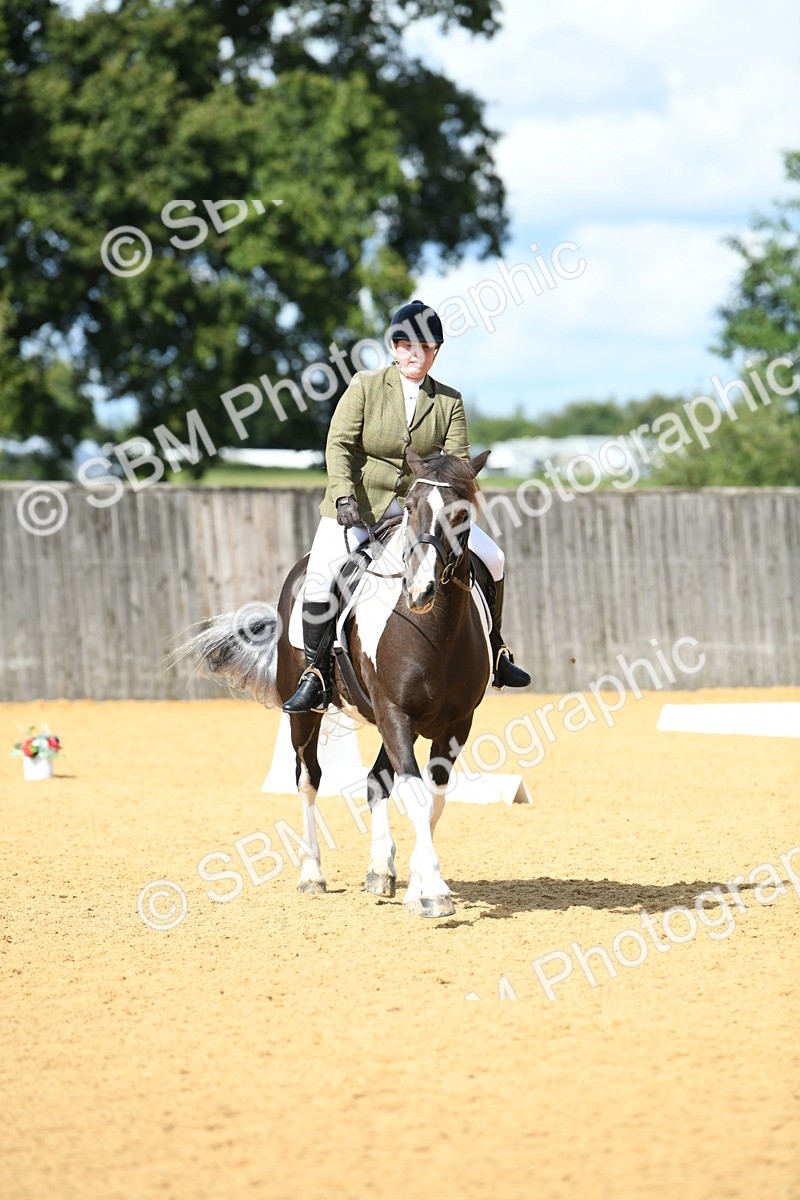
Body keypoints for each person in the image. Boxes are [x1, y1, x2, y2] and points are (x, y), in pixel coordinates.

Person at [282, 300, 531, 714]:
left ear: (436, 352)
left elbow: (457, 463)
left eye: (424, 346)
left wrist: (445, 503)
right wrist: (343, 495)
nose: (413, 353)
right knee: (322, 577)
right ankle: (316, 673)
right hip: (359, 508)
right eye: (404, 344)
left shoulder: (449, 401)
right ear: (394, 348)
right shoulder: (365, 386)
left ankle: (498, 650)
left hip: (421, 512)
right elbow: (339, 443)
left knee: (494, 556)